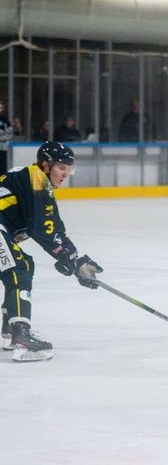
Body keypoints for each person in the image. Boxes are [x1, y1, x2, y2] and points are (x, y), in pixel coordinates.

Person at [0, 142, 103, 361]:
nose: (66, 173)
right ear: (45, 165)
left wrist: (76, 260)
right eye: (61, 167)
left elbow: (53, 227)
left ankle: (10, 331)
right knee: (19, 268)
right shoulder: (35, 178)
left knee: (20, 267)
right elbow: (40, 228)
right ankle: (21, 336)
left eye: (69, 168)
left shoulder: (39, 184)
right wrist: (66, 257)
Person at [0, 101, 11, 174]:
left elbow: (9, 133)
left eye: (1, 107)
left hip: (3, 148)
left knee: (3, 166)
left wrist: (2, 138)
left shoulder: (5, 120)